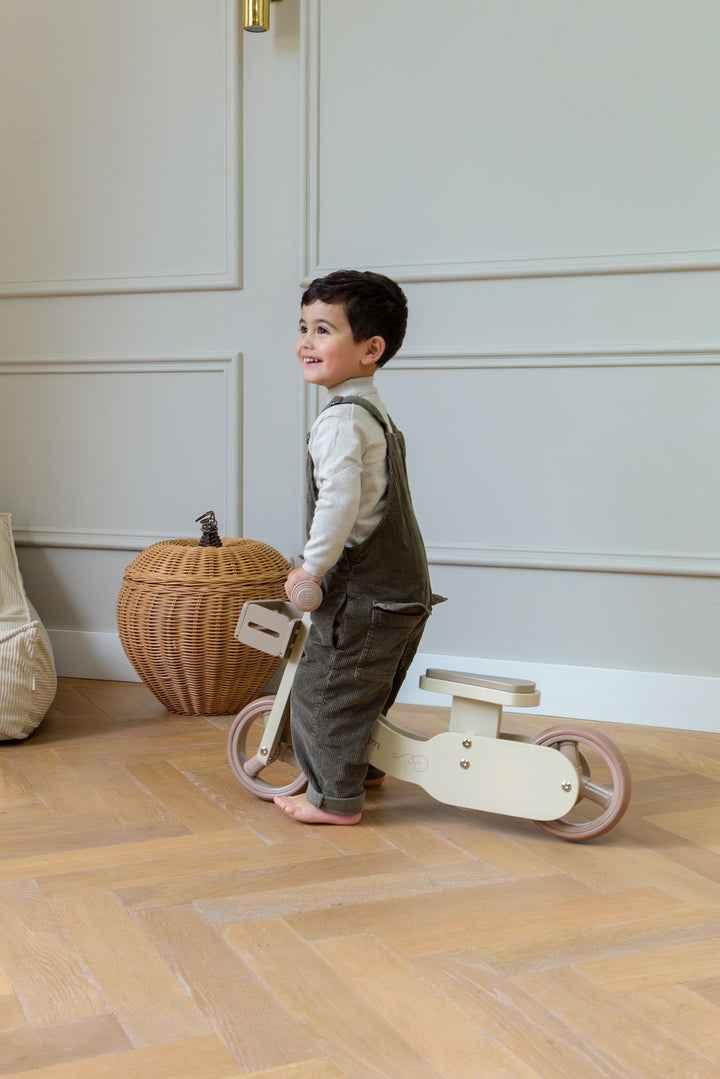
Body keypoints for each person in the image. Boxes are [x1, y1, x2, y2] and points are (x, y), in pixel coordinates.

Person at [275, 269, 439, 826]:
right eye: (303, 327)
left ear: (371, 349)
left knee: (324, 693)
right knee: (365, 689)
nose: (306, 342)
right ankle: (365, 767)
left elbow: (339, 506)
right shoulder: (376, 416)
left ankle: (333, 800)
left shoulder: (341, 422)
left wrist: (311, 569)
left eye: (323, 330)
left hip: (364, 594)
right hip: (406, 588)